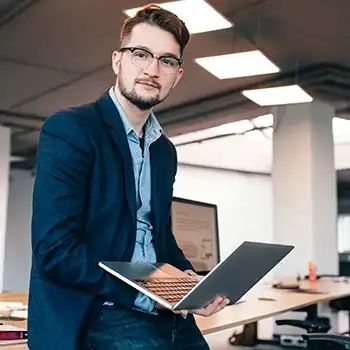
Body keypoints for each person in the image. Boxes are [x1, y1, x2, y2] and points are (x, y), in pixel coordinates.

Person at [28, 4, 230, 350]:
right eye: (141, 54)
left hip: (161, 310)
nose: (153, 69)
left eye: (167, 60)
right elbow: (55, 251)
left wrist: (191, 285)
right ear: (117, 61)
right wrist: (146, 294)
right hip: (98, 309)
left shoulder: (163, 151)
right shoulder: (71, 129)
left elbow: (159, 238)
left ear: (177, 75)